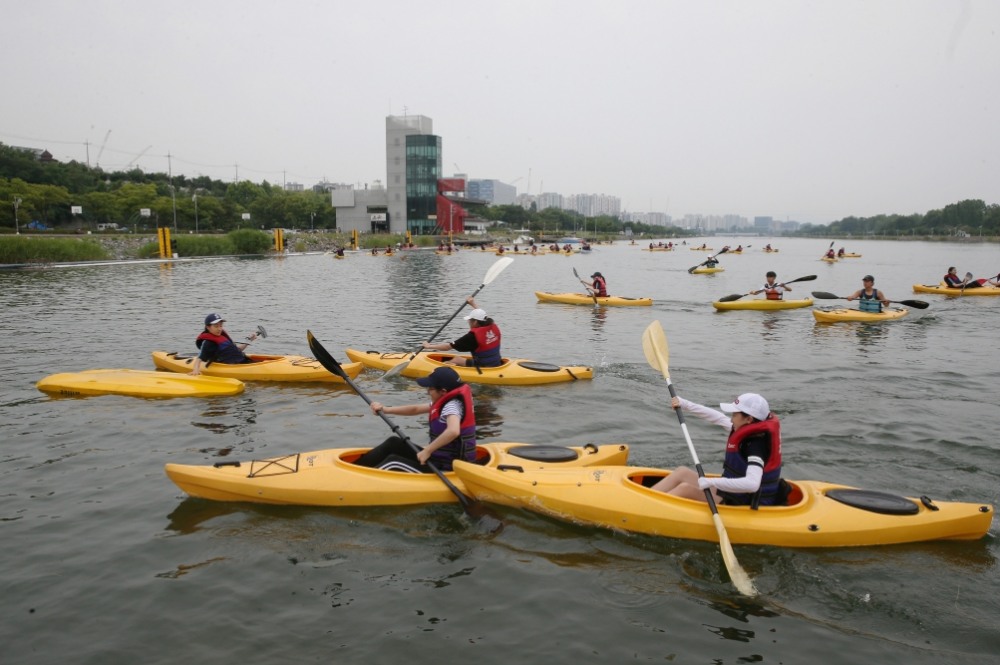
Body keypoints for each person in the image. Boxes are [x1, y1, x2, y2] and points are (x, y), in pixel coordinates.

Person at [651, 393, 783, 506]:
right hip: (732, 493)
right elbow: (717, 417)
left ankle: (648, 510)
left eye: (734, 415)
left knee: (685, 489)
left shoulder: (756, 446)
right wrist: (685, 404)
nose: (731, 419)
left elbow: (752, 484)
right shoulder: (744, 426)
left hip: (743, 502)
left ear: (749, 419)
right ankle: (646, 501)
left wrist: (711, 482)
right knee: (682, 472)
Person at [354, 367, 477, 473]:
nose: (428, 392)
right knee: (393, 443)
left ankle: (357, 479)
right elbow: (415, 409)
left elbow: (453, 431)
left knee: (393, 462)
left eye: (430, 389)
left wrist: (427, 450)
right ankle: (356, 468)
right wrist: (385, 409)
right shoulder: (445, 400)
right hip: (438, 459)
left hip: (447, 468)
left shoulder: (451, 406)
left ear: (443, 391)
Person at [421, 298, 502, 367]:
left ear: (475, 322)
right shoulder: (492, 325)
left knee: (456, 359)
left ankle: (441, 372)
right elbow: (483, 316)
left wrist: (429, 346)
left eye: (469, 320)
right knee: (460, 358)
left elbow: (448, 347)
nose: (468, 322)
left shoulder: (472, 337)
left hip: (483, 366)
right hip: (496, 362)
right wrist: (473, 304)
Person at [190, 313, 258, 375]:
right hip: (232, 366)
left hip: (242, 362)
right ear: (208, 327)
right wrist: (196, 370)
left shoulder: (222, 336)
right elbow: (199, 358)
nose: (219, 329)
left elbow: (237, 350)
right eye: (216, 326)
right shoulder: (209, 343)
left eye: (221, 326)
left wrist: (249, 340)